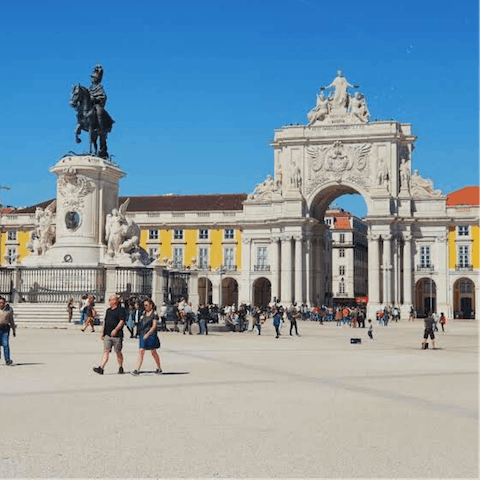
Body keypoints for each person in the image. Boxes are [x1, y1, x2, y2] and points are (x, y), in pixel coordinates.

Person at [93, 295, 126, 375]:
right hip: (108, 334)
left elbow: (122, 321)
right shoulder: (108, 310)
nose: (109, 301)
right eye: (109, 300)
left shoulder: (121, 310)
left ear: (115, 301)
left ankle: (120, 367)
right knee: (106, 350)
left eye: (110, 300)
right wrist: (102, 332)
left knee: (118, 352)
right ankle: (101, 367)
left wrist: (116, 329)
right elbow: (105, 321)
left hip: (117, 335)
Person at [131, 299, 162, 376]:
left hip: (151, 335)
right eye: (144, 305)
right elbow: (140, 324)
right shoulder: (144, 313)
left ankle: (159, 367)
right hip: (142, 334)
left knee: (153, 352)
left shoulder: (154, 314)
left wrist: (148, 334)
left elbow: (154, 326)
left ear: (151, 305)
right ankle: (137, 369)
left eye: (146, 305)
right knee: (141, 351)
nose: (145, 307)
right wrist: (137, 333)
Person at [0, 297, 16, 365]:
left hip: (5, 329)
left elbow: (11, 320)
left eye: (3, 303)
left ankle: (7, 360)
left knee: (5, 344)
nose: (1, 304)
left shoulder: (9, 310)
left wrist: (14, 330)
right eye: (0, 303)